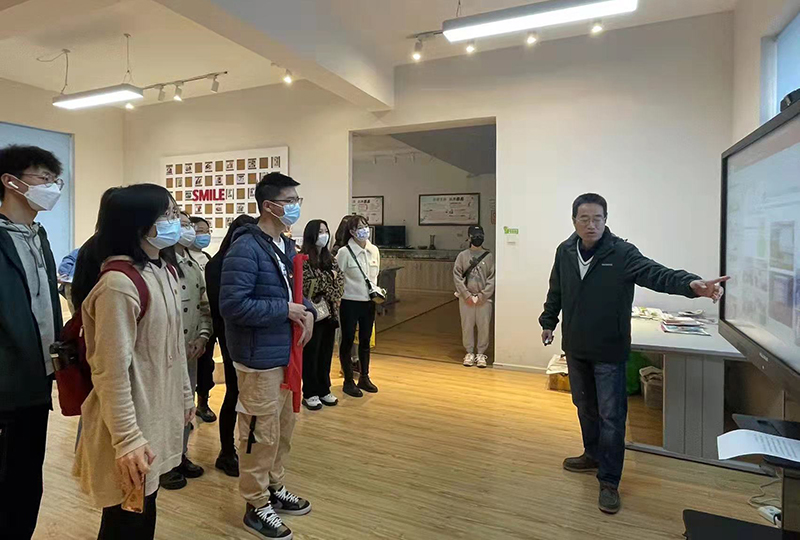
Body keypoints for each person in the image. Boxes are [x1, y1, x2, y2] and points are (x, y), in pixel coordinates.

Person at [539, 193, 728, 515]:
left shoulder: (622, 253)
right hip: (576, 346)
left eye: (597, 218)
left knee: (612, 417)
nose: (591, 224)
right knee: (585, 407)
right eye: (584, 218)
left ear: (606, 220)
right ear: (574, 221)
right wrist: (548, 321)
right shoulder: (565, 251)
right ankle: (592, 454)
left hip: (609, 349)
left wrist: (691, 285)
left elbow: (657, 273)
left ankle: (609, 481)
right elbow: (556, 289)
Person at [74, 184, 194, 539]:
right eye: (167, 215)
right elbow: (109, 371)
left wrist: (185, 396)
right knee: (125, 519)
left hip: (156, 414)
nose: (176, 221)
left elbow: (175, 345)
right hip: (131, 423)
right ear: (140, 224)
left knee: (144, 508)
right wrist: (127, 439)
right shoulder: (118, 284)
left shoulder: (164, 271)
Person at [220, 173, 315, 539]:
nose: (295, 207)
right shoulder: (246, 248)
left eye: (297, 201)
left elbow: (294, 291)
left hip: (285, 354)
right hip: (258, 358)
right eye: (289, 201)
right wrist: (286, 310)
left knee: (281, 430)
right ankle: (255, 503)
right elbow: (233, 305)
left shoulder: (283, 245)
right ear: (268, 206)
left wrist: (308, 311)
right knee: (258, 435)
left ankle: (274, 486)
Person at [0, 145, 64, 539]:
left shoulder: (38, 236)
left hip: (37, 381)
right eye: (44, 178)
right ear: (11, 182)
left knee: (26, 480)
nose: (52, 187)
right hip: (6, 384)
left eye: (56, 181)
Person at [157, 212, 212, 490]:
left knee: (184, 407)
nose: (188, 230)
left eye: (190, 225)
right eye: (183, 224)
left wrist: (203, 337)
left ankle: (180, 455)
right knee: (163, 408)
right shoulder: (157, 265)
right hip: (163, 353)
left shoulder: (192, 266)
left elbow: (204, 307)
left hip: (190, 350)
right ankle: (162, 462)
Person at [206, 214, 257, 478]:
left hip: (247, 337)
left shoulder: (232, 261)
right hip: (231, 336)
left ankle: (245, 448)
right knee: (235, 392)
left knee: (248, 394)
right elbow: (226, 307)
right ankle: (227, 451)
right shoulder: (219, 264)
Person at [300, 220, 345, 410]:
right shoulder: (303, 259)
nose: (324, 235)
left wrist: (326, 283)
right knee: (311, 354)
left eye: (326, 231)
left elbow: (339, 284)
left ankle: (324, 389)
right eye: (320, 231)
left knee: (326, 354)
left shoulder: (330, 259)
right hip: (312, 314)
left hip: (330, 314)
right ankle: (310, 392)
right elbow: (308, 286)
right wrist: (329, 279)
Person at [336, 214, 380, 398]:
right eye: (360, 227)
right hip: (349, 302)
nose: (364, 230)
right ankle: (348, 380)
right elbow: (337, 278)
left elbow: (375, 276)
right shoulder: (344, 252)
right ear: (352, 232)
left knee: (365, 341)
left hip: (369, 302)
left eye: (365, 226)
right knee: (347, 341)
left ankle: (364, 376)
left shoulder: (374, 250)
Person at [189, 216, 218, 423]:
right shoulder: (178, 258)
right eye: (199, 231)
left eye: (207, 231)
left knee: (206, 365)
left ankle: (203, 402)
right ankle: (186, 407)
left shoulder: (207, 258)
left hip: (208, 319)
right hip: (189, 320)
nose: (204, 235)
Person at [454, 225, 495, 368]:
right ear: (469, 237)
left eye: (480, 235)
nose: (478, 238)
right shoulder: (462, 256)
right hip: (466, 299)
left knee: (484, 327)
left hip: (484, 300)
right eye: (475, 235)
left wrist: (482, 296)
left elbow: (492, 278)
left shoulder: (489, 256)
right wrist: (466, 295)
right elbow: (457, 277)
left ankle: (481, 353)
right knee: (467, 326)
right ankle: (469, 352)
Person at [58, 247, 80, 315]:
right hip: (88, 285)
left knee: (76, 315)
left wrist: (66, 276)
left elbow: (67, 261)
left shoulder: (80, 250)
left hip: (70, 284)